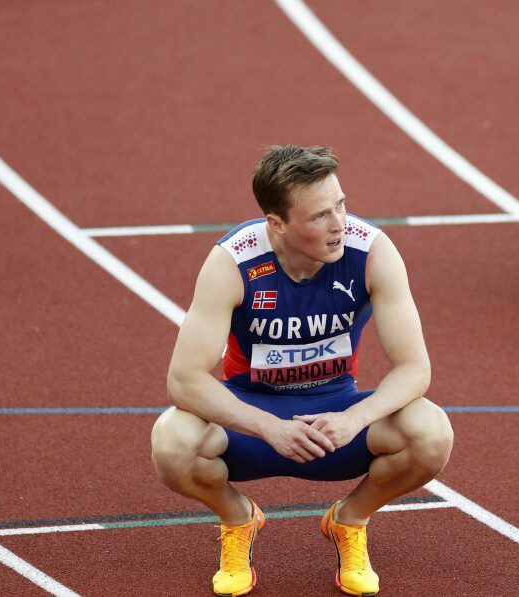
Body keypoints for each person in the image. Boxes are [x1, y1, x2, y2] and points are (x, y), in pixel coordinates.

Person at [150, 145, 454, 596]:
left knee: (432, 433)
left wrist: (354, 418)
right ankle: (238, 519)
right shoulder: (232, 263)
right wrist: (269, 427)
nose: (339, 224)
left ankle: (349, 520)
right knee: (171, 442)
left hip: (335, 414)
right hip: (251, 417)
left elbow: (414, 370)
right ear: (277, 223)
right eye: (319, 216)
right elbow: (184, 380)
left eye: (342, 204)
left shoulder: (372, 252)